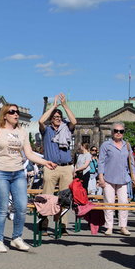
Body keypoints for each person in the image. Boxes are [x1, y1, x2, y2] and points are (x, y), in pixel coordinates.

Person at [0, 103, 57, 253]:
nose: (16, 114)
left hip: (18, 173)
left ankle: (16, 238)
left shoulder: (22, 132)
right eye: (12, 112)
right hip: (0, 172)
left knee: (21, 207)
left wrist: (45, 162)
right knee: (2, 208)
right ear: (5, 115)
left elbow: (30, 154)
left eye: (17, 112)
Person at [38, 93, 77, 235]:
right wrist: (54, 106)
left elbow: (74, 121)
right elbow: (41, 121)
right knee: (47, 196)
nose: (57, 119)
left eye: (59, 117)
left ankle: (62, 225)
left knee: (65, 197)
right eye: (55, 117)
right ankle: (43, 224)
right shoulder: (47, 130)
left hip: (66, 167)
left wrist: (64, 105)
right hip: (50, 166)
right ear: (51, 119)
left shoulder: (66, 129)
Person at [98, 122, 135, 236]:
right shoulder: (106, 145)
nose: (118, 133)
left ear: (123, 133)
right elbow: (100, 162)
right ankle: (109, 226)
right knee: (109, 203)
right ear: (112, 132)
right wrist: (101, 177)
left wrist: (134, 176)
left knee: (124, 203)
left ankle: (123, 226)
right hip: (108, 178)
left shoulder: (128, 145)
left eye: (121, 131)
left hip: (123, 178)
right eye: (116, 131)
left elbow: (131, 163)